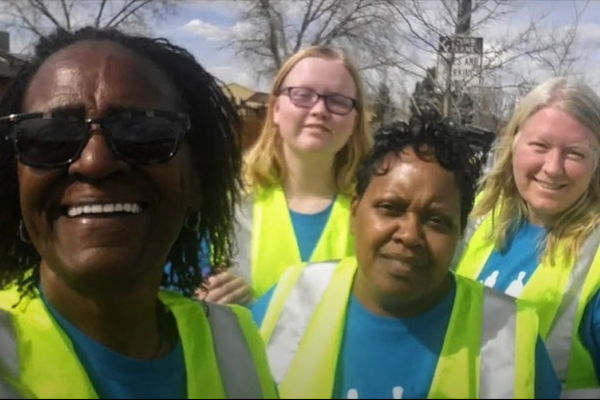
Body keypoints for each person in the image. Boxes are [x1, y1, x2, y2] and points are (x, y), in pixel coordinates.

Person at [0, 27, 277, 399]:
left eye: (142, 132)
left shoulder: (235, 346)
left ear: (195, 182)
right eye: (49, 136)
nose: (94, 162)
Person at [252, 117, 561, 399]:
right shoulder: (286, 305)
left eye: (436, 221)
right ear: (355, 211)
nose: (410, 235)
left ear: (459, 235)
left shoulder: (512, 341)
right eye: (390, 208)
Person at [455, 77, 600, 398]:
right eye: (540, 146)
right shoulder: (481, 217)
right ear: (514, 144)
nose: (553, 167)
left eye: (575, 154)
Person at [202, 45, 372, 305]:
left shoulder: (377, 212)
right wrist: (204, 296)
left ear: (355, 121)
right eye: (303, 95)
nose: (319, 110)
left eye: (338, 101)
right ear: (275, 109)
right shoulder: (224, 204)